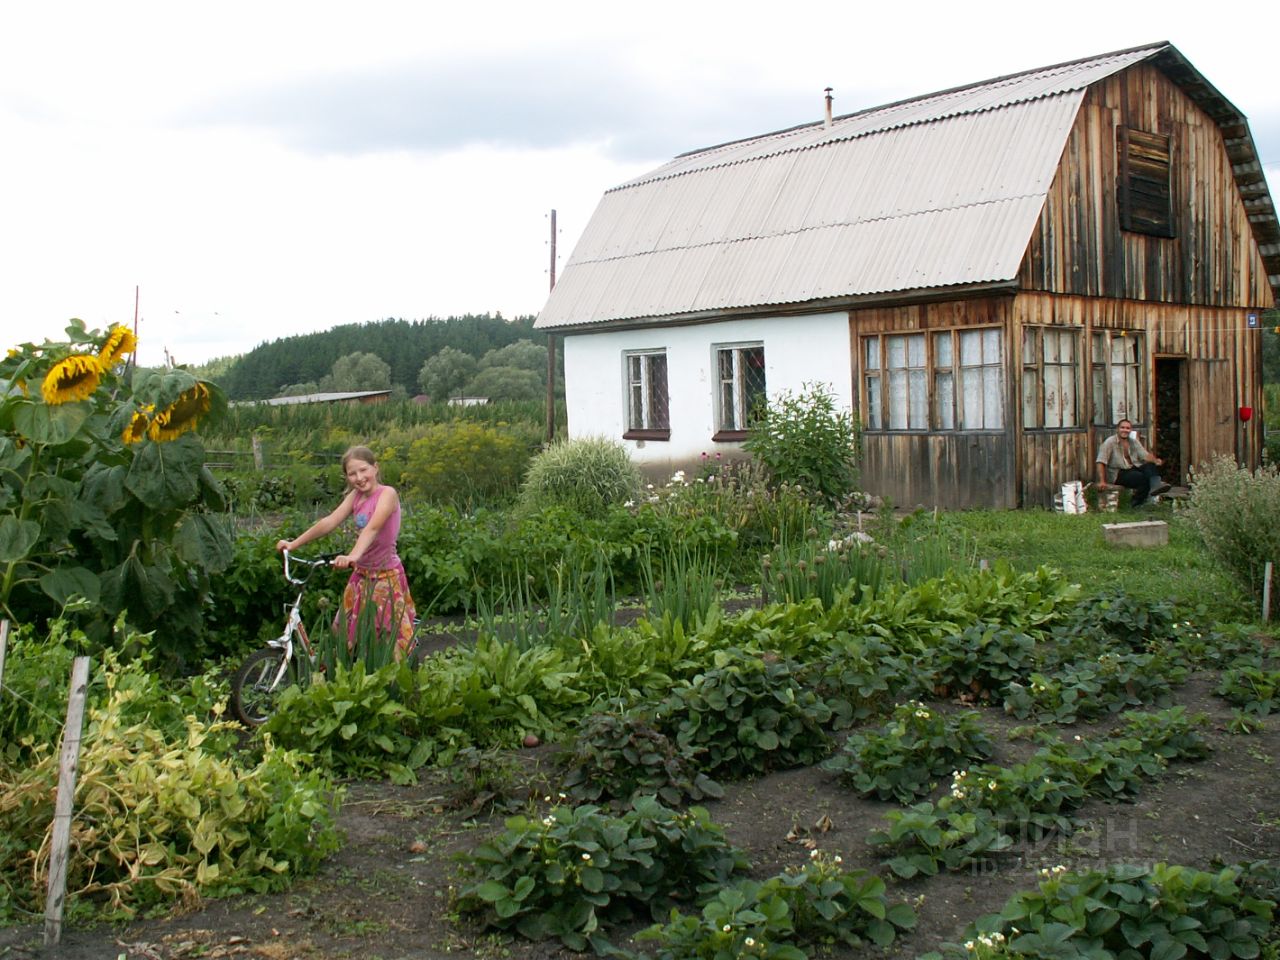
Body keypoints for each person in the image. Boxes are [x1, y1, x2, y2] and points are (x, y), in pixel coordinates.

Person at [276, 446, 416, 660]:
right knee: (344, 634)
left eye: (363, 470)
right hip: (361, 576)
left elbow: (373, 528)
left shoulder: (387, 494)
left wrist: (352, 556)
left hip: (385, 577)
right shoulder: (356, 497)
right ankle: (354, 680)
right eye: (352, 473)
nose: (359, 478)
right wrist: (293, 544)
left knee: (390, 640)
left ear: (375, 468)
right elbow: (329, 522)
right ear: (347, 477)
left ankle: (398, 687)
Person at [1095, 419, 1171, 508]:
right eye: (1122, 428)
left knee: (1150, 466)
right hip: (1118, 473)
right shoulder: (1110, 442)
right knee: (1142, 478)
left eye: (1127, 428)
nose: (1125, 430)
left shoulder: (1133, 441)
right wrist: (1102, 481)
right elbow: (1101, 461)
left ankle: (1156, 486)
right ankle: (1136, 503)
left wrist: (1156, 460)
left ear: (1130, 430)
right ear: (1117, 429)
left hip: (1132, 468)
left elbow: (1145, 455)